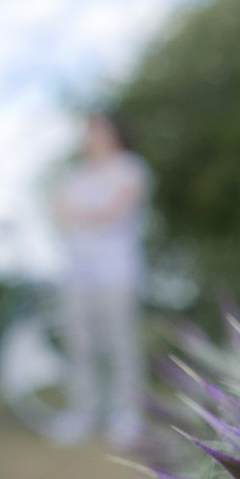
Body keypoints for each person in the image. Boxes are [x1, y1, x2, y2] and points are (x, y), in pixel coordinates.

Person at [51, 112, 151, 447]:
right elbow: (59, 215)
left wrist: (82, 216)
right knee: (80, 344)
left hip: (117, 272)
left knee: (120, 342)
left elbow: (114, 211)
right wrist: (86, 217)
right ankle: (84, 411)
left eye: (98, 130)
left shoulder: (130, 168)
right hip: (77, 273)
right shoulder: (75, 175)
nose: (92, 136)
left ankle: (127, 414)